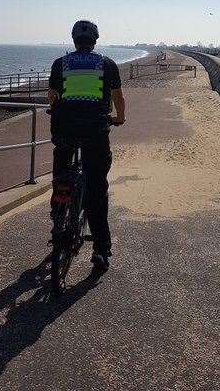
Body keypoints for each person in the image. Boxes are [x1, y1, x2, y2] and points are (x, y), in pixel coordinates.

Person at [48, 20, 125, 270]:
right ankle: (101, 249)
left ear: (73, 40)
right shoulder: (107, 64)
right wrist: (119, 118)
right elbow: (118, 98)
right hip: (95, 131)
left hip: (65, 130)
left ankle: (58, 209)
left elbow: (52, 98)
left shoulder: (61, 64)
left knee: (61, 171)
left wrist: (55, 109)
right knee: (96, 188)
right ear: (95, 40)